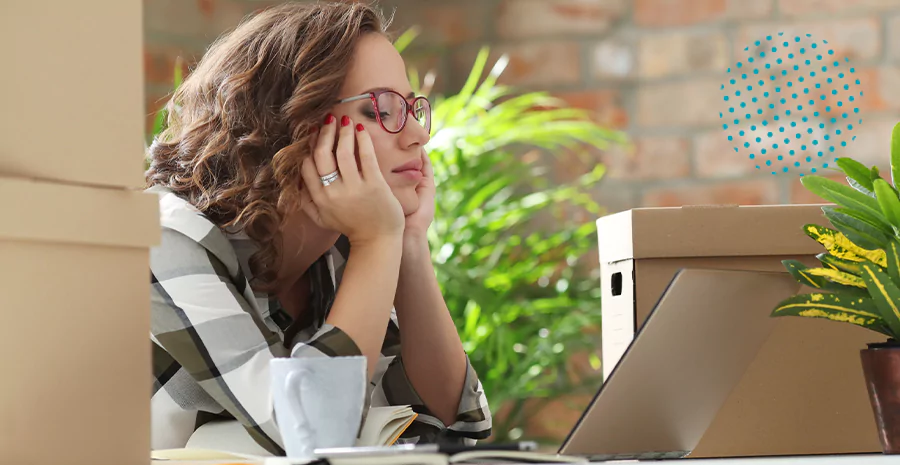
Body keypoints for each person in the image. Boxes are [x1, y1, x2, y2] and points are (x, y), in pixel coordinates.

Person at [145, 2, 492, 455]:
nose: (417, 136)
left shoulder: (340, 245)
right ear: (292, 122)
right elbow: (308, 433)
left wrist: (407, 240)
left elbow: (453, 425)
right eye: (382, 108)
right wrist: (376, 241)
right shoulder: (168, 236)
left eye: (412, 108)